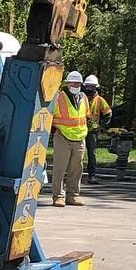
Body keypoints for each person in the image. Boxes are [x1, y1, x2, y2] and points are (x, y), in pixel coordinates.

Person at [50, 70, 90, 207]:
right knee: (60, 168)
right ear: (67, 83)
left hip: (80, 137)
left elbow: (86, 115)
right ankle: (58, 196)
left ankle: (72, 195)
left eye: (78, 83)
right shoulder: (58, 97)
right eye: (73, 82)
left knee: (76, 168)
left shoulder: (83, 97)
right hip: (62, 136)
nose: (76, 85)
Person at [83, 73, 112, 183]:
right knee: (76, 155)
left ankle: (92, 175)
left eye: (91, 87)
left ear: (96, 87)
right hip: (79, 129)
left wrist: (102, 126)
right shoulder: (81, 97)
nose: (89, 89)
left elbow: (108, 112)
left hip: (92, 131)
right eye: (87, 86)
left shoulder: (99, 100)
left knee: (91, 154)